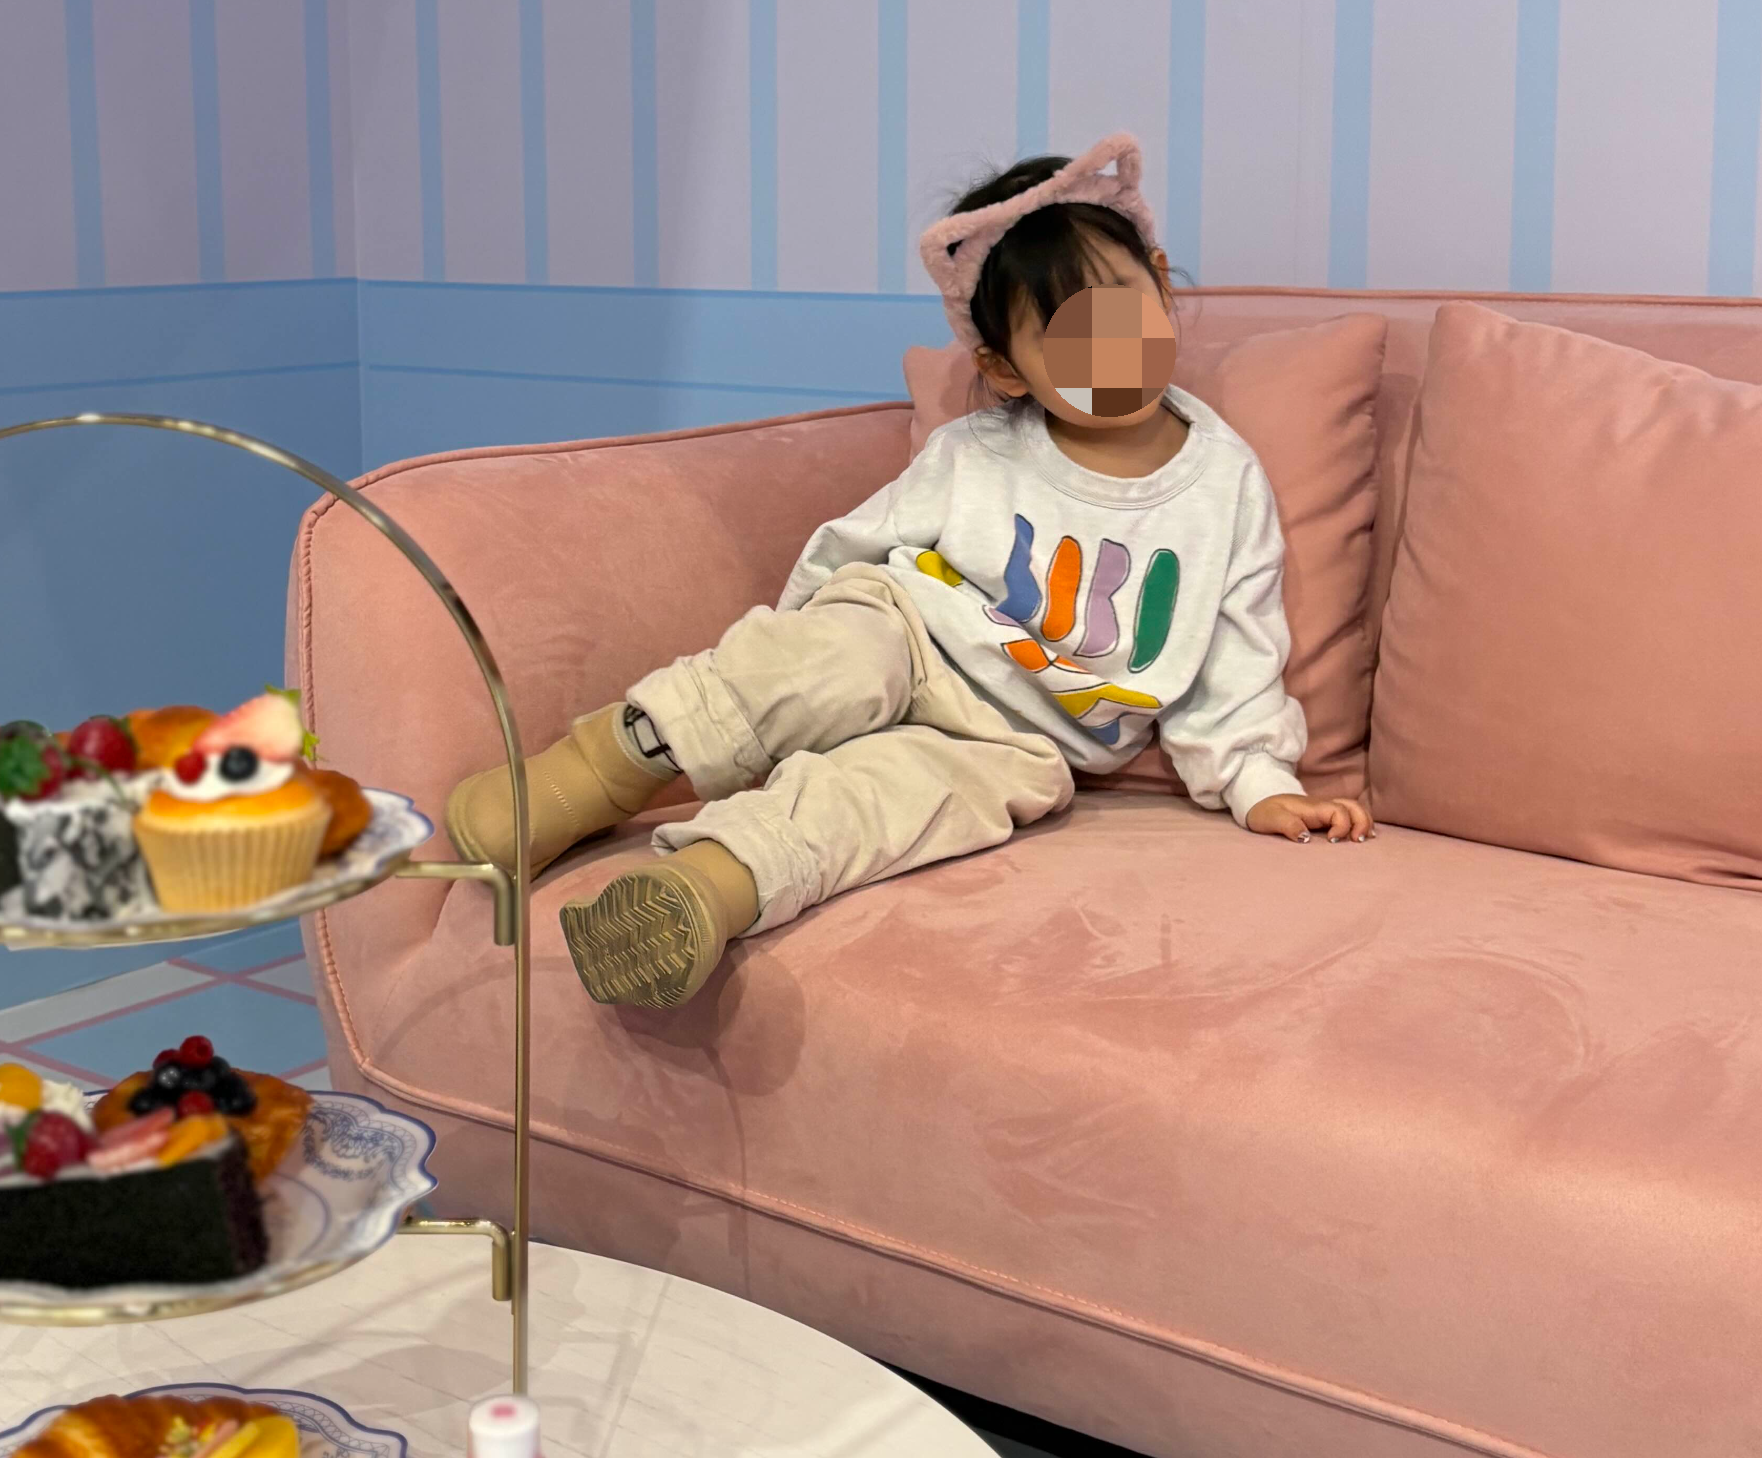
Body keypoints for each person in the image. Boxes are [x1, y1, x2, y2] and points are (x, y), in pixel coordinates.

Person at [448, 134, 1371, 1011]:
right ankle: (584, 780)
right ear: (1006, 370)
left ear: (1161, 286)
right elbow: (850, 549)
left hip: (1021, 743)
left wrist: (1262, 784)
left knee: (886, 809)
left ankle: (704, 890)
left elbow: (1238, 649)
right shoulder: (978, 451)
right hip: (910, 633)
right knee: (833, 663)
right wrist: (795, 676)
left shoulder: (1225, 483)